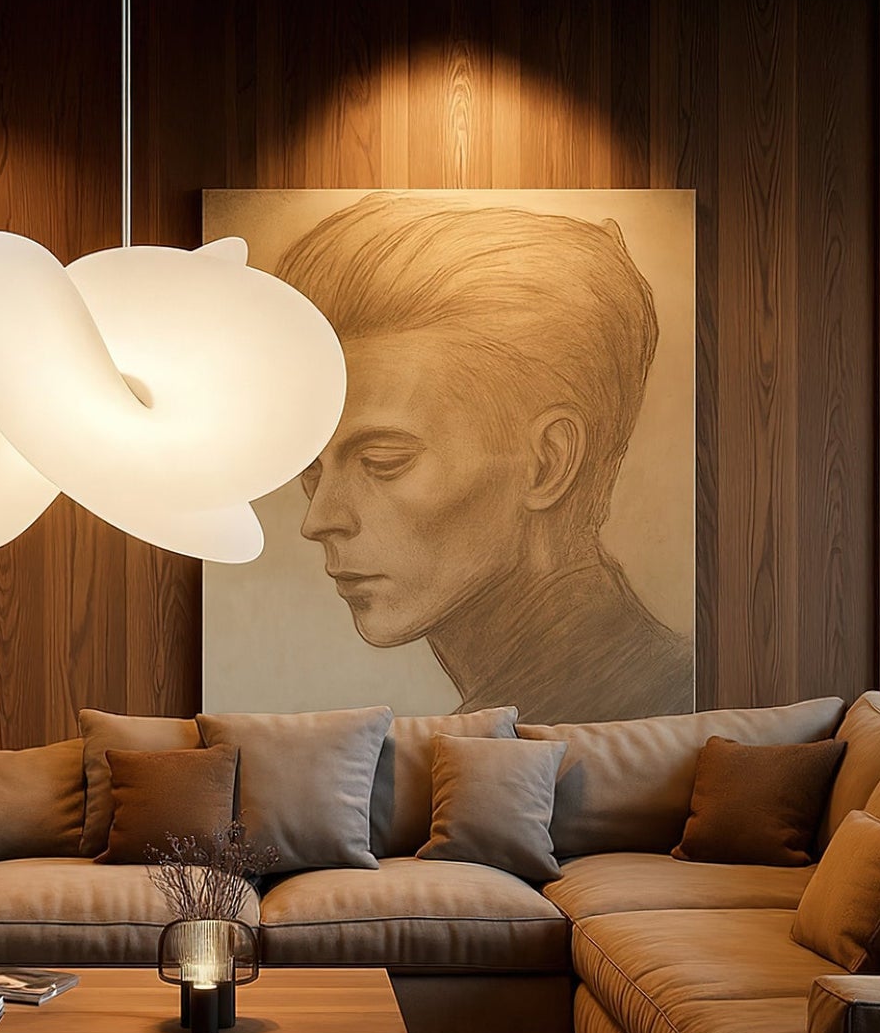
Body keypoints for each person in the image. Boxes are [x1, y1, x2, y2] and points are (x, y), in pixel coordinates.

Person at [276, 193, 693, 723]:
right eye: (311, 472)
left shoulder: (635, 708)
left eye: (384, 460)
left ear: (547, 463)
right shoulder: (641, 698)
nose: (320, 520)